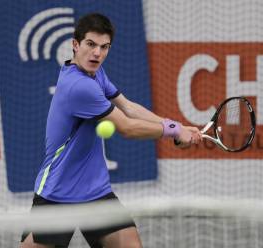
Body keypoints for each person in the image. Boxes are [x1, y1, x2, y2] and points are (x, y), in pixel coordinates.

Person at [20, 12, 202, 248]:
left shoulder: (96, 74)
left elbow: (128, 107)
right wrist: (173, 131)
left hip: (95, 192)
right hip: (58, 193)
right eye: (91, 44)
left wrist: (175, 125)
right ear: (75, 45)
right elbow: (127, 128)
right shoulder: (79, 86)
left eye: (104, 47)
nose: (97, 53)